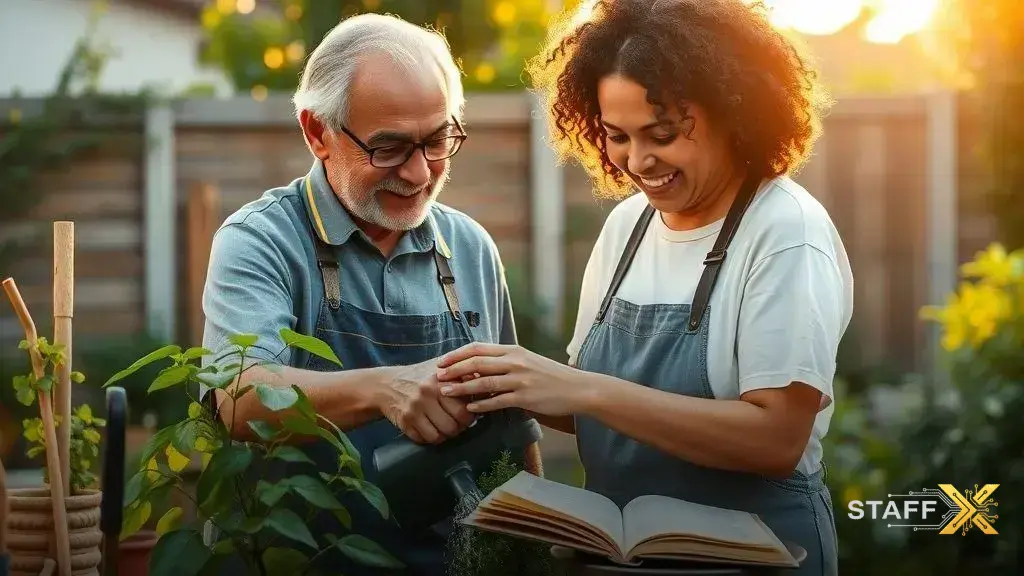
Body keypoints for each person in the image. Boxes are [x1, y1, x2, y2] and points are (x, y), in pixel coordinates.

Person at [436, 1, 851, 574]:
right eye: (617, 136)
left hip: (759, 558)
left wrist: (583, 390)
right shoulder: (627, 227)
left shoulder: (784, 232)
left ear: (735, 112)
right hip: (622, 559)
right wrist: (511, 385)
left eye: (663, 133)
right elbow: (598, 413)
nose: (639, 160)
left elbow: (776, 438)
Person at [198, 13, 543, 576]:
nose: (418, 172)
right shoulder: (259, 241)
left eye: (437, 141)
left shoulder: (470, 247)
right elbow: (240, 397)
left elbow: (514, 423)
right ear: (316, 132)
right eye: (389, 148)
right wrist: (386, 388)